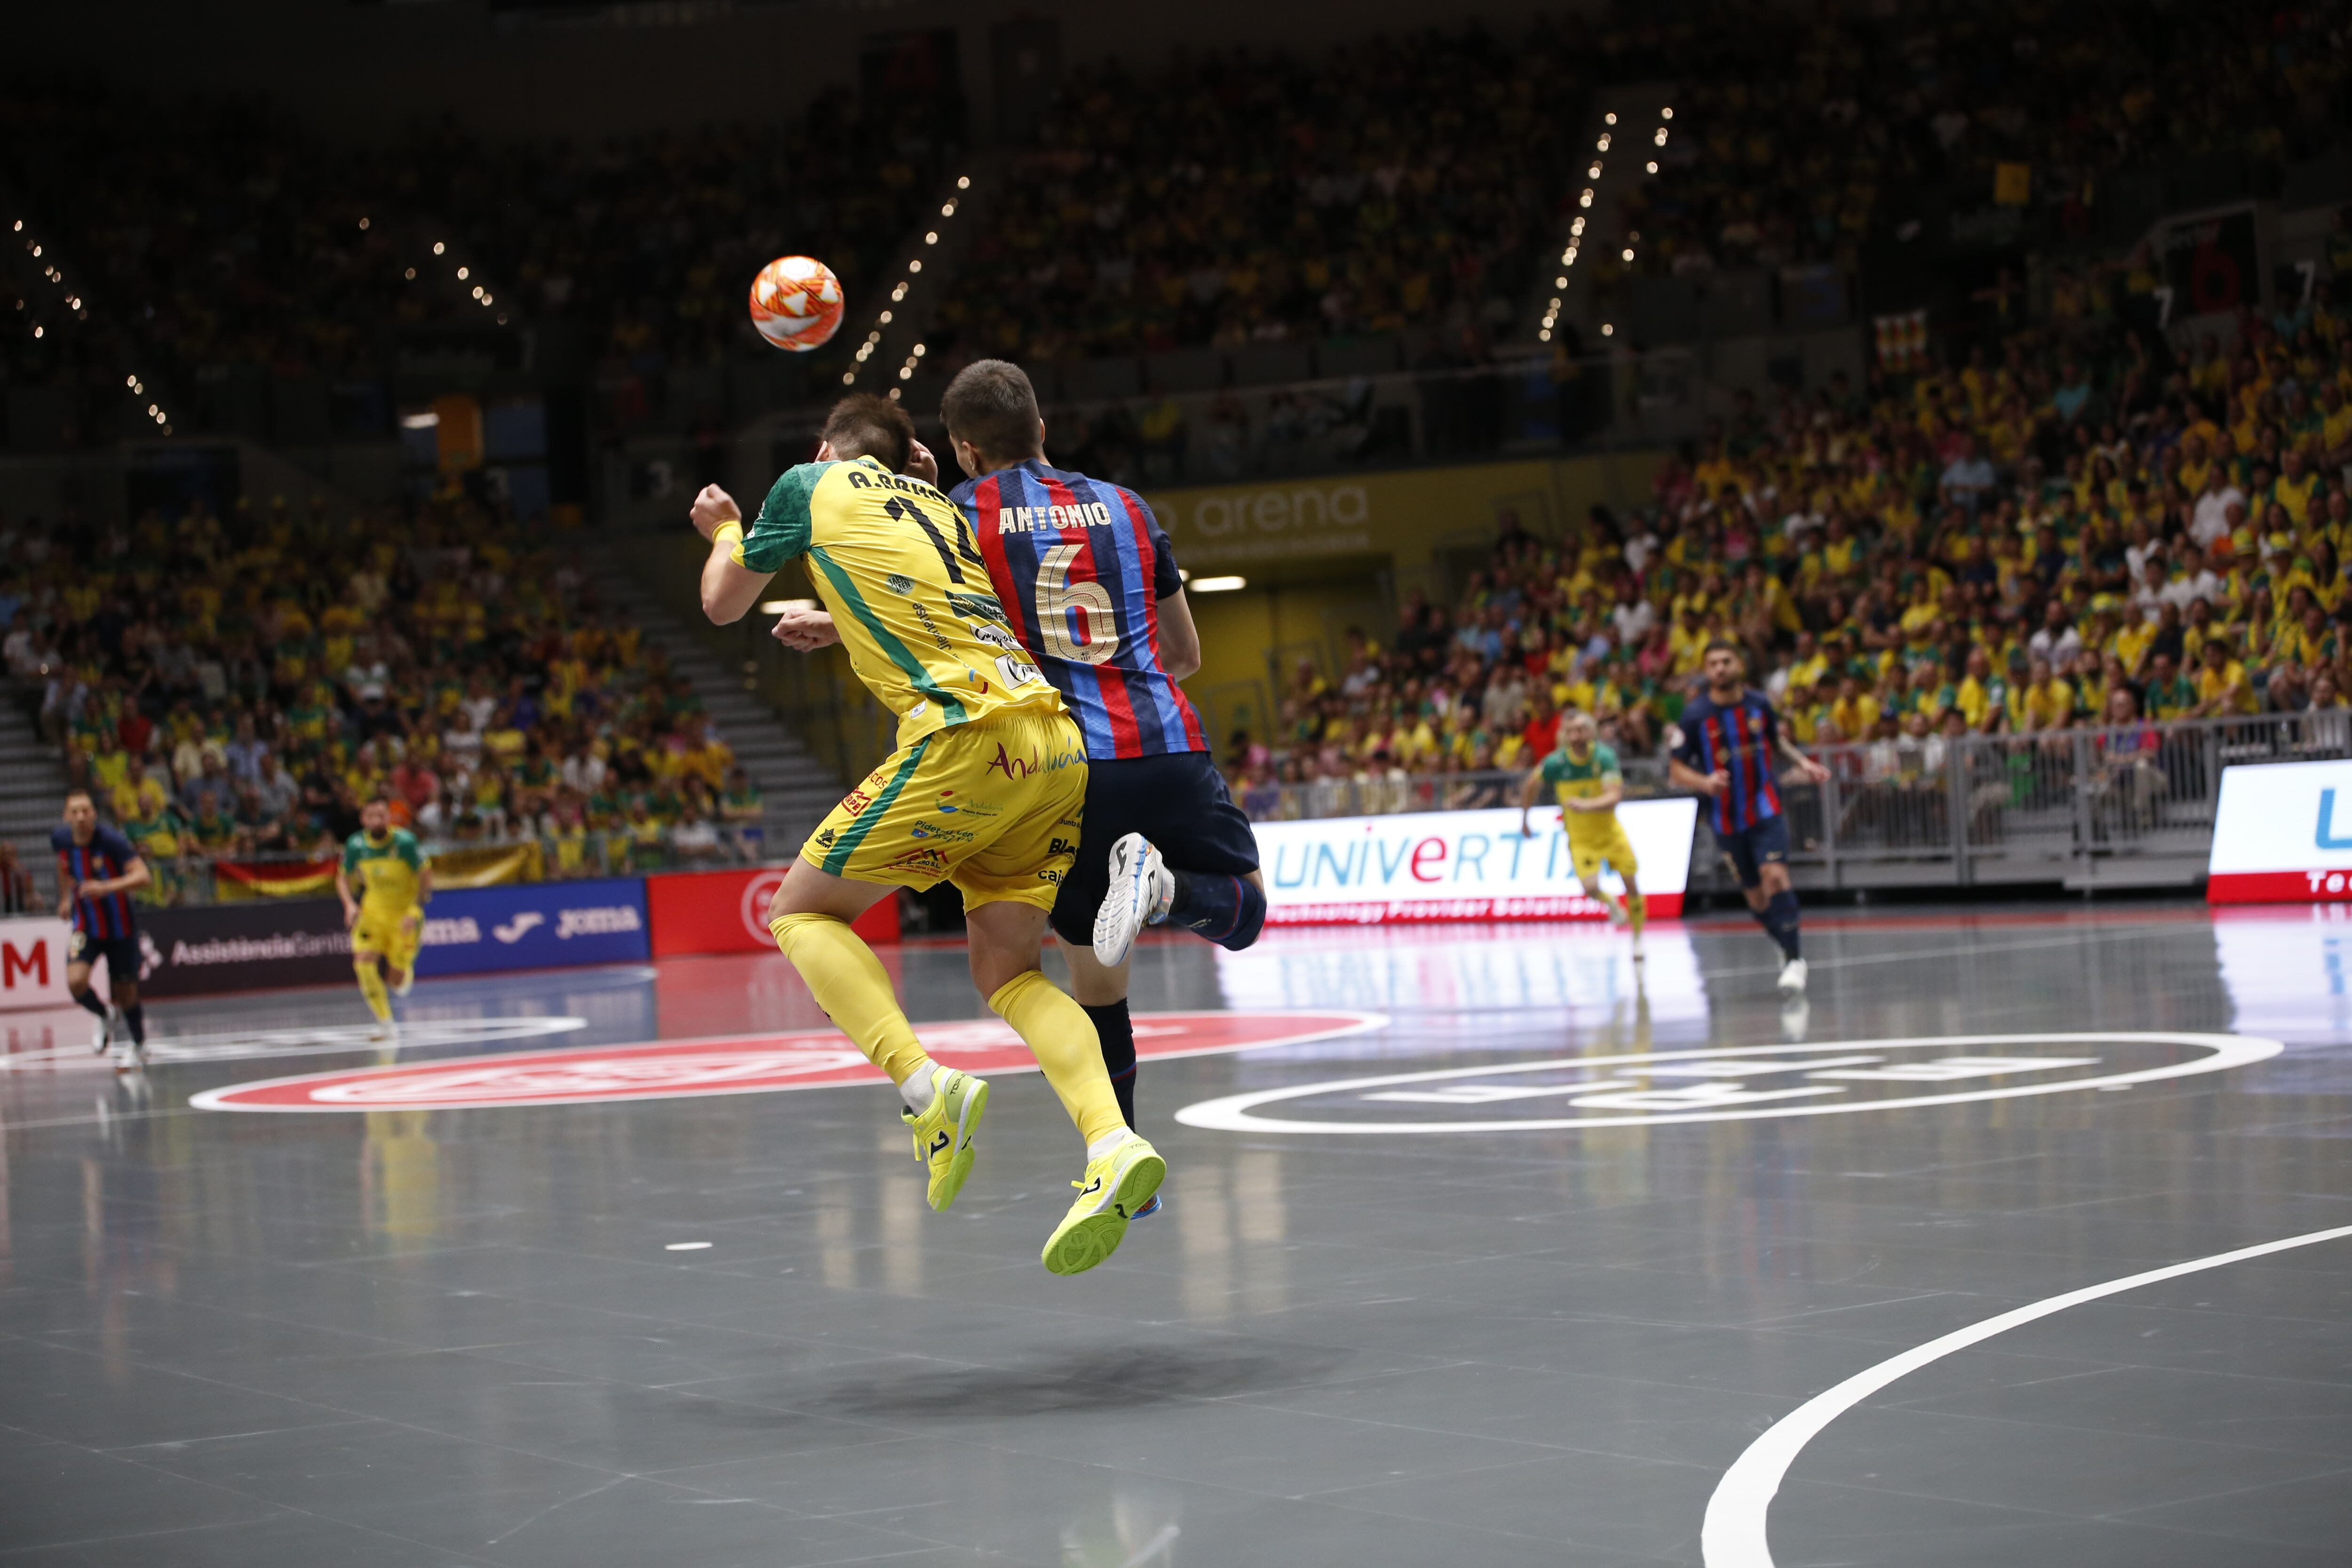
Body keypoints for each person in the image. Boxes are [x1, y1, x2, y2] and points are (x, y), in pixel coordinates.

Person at [692, 392, 1160, 1278]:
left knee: (800, 914)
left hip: (963, 738)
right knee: (1011, 972)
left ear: (828, 447)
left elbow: (722, 604)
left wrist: (723, 527)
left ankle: (925, 1088)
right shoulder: (942, 509)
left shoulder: (810, 482)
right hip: (1056, 743)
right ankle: (1111, 1143)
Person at [945, 359, 1265, 1140]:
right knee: (1244, 910)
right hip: (1160, 739)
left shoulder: (959, 514)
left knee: (1097, 986)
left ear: (964, 450)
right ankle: (1165, 891)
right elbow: (1184, 652)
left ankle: (1118, 1158)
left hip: (1056, 772)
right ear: (1042, 427)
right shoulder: (1125, 505)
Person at [1669, 640, 1830, 996]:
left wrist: (1802, 762)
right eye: (1713, 664)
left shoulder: (1759, 704)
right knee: (1757, 900)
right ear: (1706, 670)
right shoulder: (1695, 715)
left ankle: (1793, 959)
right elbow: (1677, 768)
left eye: (1726, 661)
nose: (1721, 669)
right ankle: (1784, 943)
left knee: (1775, 876)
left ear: (1738, 664)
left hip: (1765, 807)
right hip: (1726, 818)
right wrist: (1705, 782)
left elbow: (1777, 741)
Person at [1518, 709, 1645, 959]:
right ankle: (1610, 904)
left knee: (1631, 884)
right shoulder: (1556, 763)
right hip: (1581, 840)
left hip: (1610, 835)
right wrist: (1524, 818)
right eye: (1570, 731)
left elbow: (1614, 797)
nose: (1576, 736)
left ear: (1591, 732)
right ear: (1564, 735)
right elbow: (1530, 785)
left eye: (1581, 730)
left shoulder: (1604, 758)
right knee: (1590, 888)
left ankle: (1638, 939)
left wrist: (1585, 805)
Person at [52, 789, 151, 1068]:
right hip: (86, 926)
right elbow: (62, 866)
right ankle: (104, 1014)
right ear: (66, 816)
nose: (81, 817)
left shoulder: (111, 842)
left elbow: (144, 876)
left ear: (94, 814)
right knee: (76, 982)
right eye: (75, 812)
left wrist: (105, 887)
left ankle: (139, 1045)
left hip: (121, 927)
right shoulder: (60, 840)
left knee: (126, 993)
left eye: (86, 811)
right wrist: (64, 899)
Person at [335, 796, 431, 1041]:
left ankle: (403, 975)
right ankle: (386, 1024)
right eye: (371, 816)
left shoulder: (405, 843)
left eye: (382, 815)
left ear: (389, 817)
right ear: (363, 819)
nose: (377, 821)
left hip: (403, 917)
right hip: (372, 914)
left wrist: (415, 910)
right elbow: (342, 877)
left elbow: (425, 875)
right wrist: (349, 905)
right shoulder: (356, 845)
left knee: (396, 982)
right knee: (364, 964)